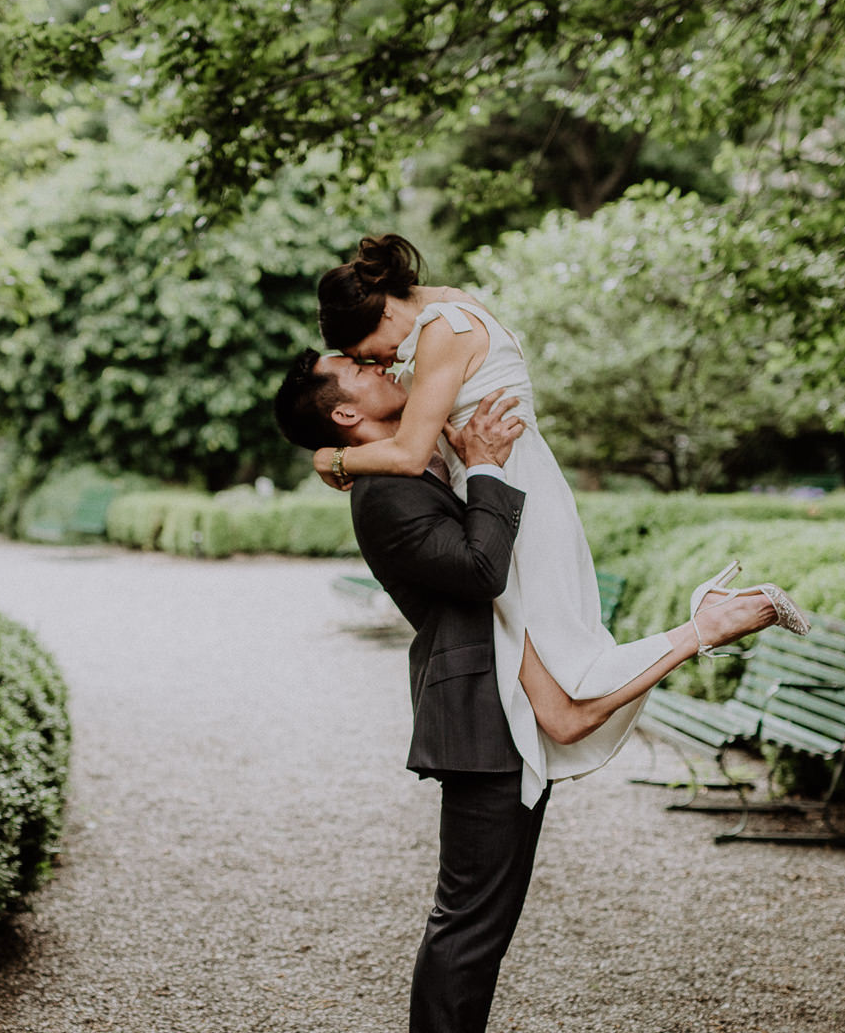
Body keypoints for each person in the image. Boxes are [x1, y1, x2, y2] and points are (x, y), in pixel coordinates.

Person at [272, 351, 778, 1033]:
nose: (384, 364)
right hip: (477, 717)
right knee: (466, 923)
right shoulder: (385, 496)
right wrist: (484, 470)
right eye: (362, 368)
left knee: (487, 922)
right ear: (343, 410)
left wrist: (407, 456)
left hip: (498, 706)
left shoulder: (391, 466)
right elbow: (479, 571)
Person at [310, 234, 808, 810]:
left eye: (369, 351)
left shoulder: (444, 329)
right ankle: (707, 622)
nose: (381, 363)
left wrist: (334, 458)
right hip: (499, 491)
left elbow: (408, 454)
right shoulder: (448, 309)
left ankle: (711, 625)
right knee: (558, 715)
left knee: (566, 697)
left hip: (508, 499)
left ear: (384, 309)